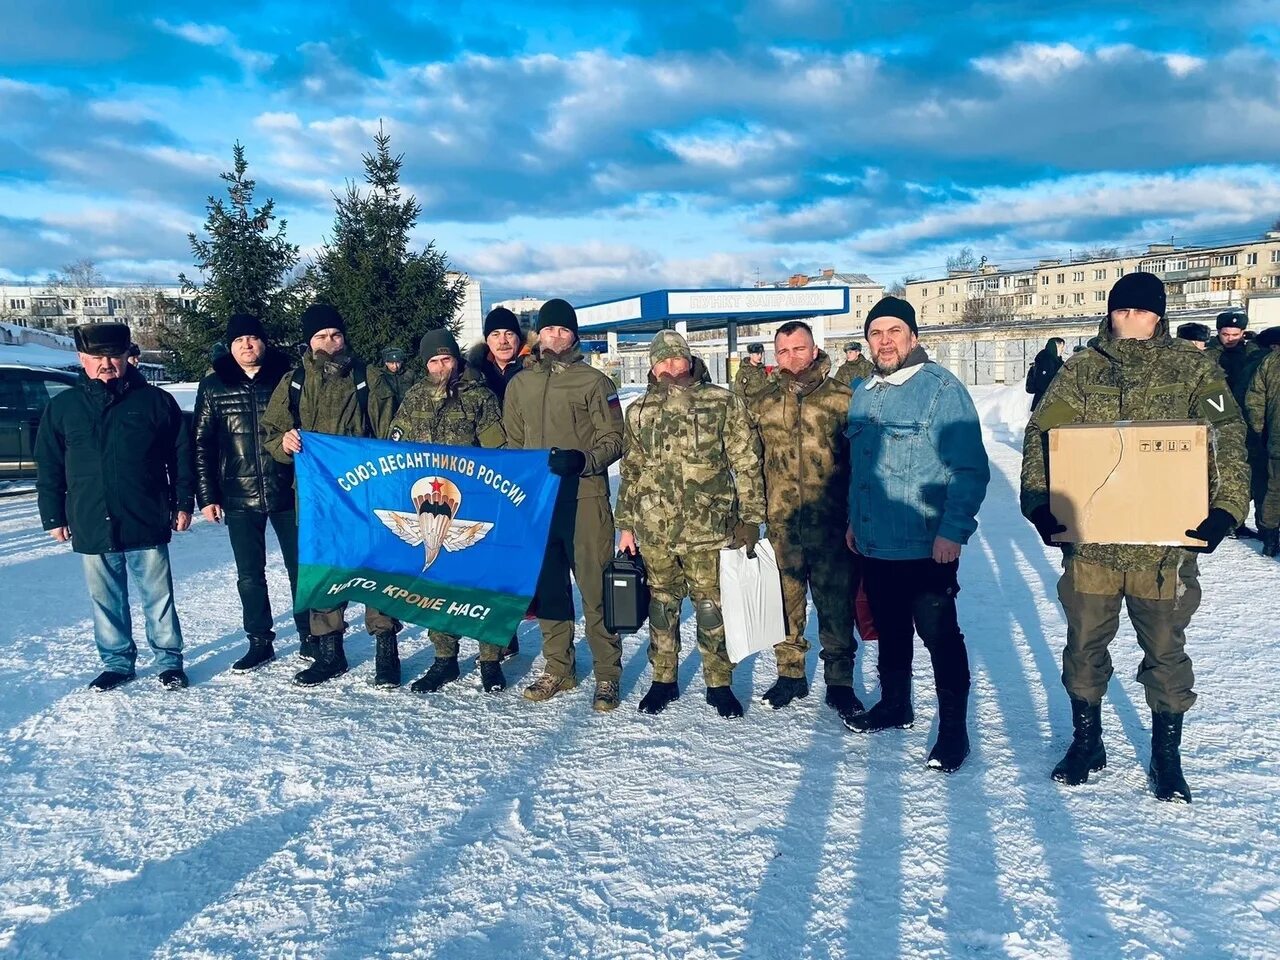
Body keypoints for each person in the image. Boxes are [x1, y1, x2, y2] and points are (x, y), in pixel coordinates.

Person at [1021, 272, 1249, 803]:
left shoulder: (1193, 369)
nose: (1132, 322)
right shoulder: (1081, 370)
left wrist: (1227, 510)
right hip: (1092, 546)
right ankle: (1087, 743)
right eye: (1123, 312)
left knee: (1166, 653)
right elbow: (1042, 436)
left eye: (1142, 313)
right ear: (1111, 312)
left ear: (1159, 316)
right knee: (1083, 647)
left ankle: (1166, 759)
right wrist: (1037, 499)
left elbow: (1229, 437)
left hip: (1164, 549)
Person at [844, 297, 990, 774]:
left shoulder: (941, 391)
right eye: (876, 333)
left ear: (913, 337)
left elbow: (968, 469)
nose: (884, 341)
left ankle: (953, 732)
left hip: (927, 545)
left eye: (894, 331)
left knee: (939, 635)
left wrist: (954, 531)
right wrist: (853, 521)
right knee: (889, 630)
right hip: (874, 542)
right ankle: (895, 704)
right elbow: (860, 469)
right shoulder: (864, 391)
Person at [34, 322, 194, 691]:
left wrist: (183, 502)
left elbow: (180, 456)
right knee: (105, 599)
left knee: (158, 596)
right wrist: (54, 514)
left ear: (128, 357)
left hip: (146, 512)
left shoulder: (155, 401)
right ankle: (117, 662)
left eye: (115, 356)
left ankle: (169, 660)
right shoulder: (64, 407)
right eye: (97, 357)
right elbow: (50, 465)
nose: (106, 363)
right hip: (91, 516)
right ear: (82, 360)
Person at [616, 330, 765, 719]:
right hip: (655, 528)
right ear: (651, 366)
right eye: (660, 361)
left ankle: (719, 683)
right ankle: (663, 679)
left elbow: (746, 462)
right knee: (662, 606)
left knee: (711, 607)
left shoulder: (722, 402)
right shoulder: (639, 410)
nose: (668, 368)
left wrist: (751, 518)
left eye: (675, 359)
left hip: (708, 528)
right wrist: (626, 524)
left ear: (689, 360)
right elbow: (631, 469)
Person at [261, 303, 399, 687]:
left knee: (375, 568)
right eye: (321, 337)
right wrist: (284, 442)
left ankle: (386, 651)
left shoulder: (368, 377)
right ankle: (329, 652)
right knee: (325, 571)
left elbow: (393, 433)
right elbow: (271, 431)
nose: (329, 343)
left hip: (367, 494)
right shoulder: (293, 382)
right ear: (309, 341)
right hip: (317, 497)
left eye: (335, 335)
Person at [503, 299, 625, 711]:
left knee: (595, 591)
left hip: (585, 500)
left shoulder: (594, 382)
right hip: (537, 505)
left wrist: (584, 460)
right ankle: (559, 668)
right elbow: (513, 445)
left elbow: (614, 439)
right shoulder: (520, 384)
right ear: (539, 334)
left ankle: (607, 674)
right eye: (549, 330)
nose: (555, 337)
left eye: (563, 330)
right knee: (551, 591)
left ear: (574, 335)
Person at [749, 321, 863, 718]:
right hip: (783, 525)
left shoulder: (843, 399)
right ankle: (790, 675)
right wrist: (750, 516)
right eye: (783, 351)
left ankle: (840, 682)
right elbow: (750, 464)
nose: (791, 358)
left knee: (836, 607)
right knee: (785, 606)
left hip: (834, 525)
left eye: (798, 349)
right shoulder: (762, 403)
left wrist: (857, 518)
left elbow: (862, 464)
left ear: (814, 350)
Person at [389, 328, 512, 691]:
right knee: (436, 581)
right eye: (434, 361)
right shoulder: (413, 399)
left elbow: (499, 451)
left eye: (446, 359)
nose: (441, 366)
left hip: (475, 502)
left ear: (456, 360)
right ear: (426, 364)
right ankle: (445, 658)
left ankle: (490, 658)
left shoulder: (479, 398)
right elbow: (395, 451)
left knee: (482, 580)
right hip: (431, 505)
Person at [193, 313, 307, 673]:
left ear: (264, 342)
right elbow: (201, 444)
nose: (247, 344)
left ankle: (310, 636)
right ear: (230, 346)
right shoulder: (214, 386)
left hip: (287, 490)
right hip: (238, 495)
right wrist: (207, 495)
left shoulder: (285, 380)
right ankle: (259, 641)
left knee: (300, 569)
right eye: (239, 339)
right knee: (249, 574)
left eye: (253, 338)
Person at [1207, 310, 1267, 537]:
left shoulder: (1256, 356)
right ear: (1218, 332)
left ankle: (1239, 519)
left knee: (1247, 473)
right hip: (1217, 418)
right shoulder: (1207, 357)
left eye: (1235, 334)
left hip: (1249, 420)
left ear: (1243, 333)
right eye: (1225, 334)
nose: (1230, 338)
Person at [1245, 340, 1280, 557]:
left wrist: (1260, 432)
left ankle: (1269, 539)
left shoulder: (1270, 361)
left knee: (1274, 491)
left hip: (1276, 440)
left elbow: (1254, 401)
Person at [468, 307, 529, 404]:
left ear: (519, 338)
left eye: (509, 334)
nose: (503, 341)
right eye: (495, 335)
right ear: (487, 340)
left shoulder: (535, 367)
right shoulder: (474, 373)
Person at [1024, 337, 1065, 410]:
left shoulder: (1056, 361)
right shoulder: (1045, 360)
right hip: (1044, 403)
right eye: (1061, 347)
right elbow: (1042, 383)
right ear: (1056, 346)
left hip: (1051, 402)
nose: (1063, 350)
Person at [379, 347, 419, 415]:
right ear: (386, 363)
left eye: (397, 362)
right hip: (388, 414)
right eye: (391, 363)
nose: (395, 366)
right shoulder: (381, 376)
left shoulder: (410, 374)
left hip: (408, 412)